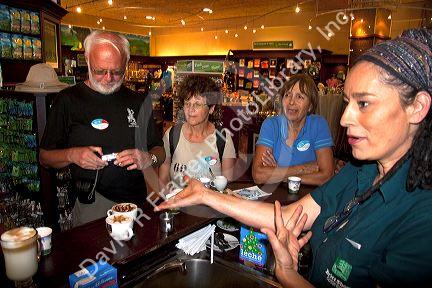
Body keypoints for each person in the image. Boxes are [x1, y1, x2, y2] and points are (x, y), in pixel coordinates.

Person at [156, 28, 432, 287]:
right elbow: (288, 215)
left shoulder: (422, 216)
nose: (345, 118)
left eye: (364, 103)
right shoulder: (360, 172)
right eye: (348, 103)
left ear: (417, 107)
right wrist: (288, 274)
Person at [39, 31, 165, 227]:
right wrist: (73, 155)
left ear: (126, 64)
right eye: (100, 71)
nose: (108, 78)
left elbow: (159, 150)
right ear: (88, 61)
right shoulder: (67, 100)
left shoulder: (139, 102)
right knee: (97, 256)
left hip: (138, 203)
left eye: (116, 71)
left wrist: (149, 158)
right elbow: (45, 157)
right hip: (93, 204)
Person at [253, 74, 334, 185]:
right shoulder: (271, 125)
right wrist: (302, 168)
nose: (291, 102)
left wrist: (278, 174)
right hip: (276, 197)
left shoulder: (318, 125)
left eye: (299, 97)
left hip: (309, 198)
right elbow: (258, 175)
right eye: (287, 95)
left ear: (310, 105)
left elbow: (326, 176)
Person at [159, 75, 236, 189]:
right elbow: (163, 181)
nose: (190, 109)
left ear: (211, 108)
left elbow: (227, 186)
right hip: (178, 205)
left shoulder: (223, 138)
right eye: (187, 103)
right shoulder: (172, 135)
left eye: (198, 104)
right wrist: (171, 202)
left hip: (210, 206)